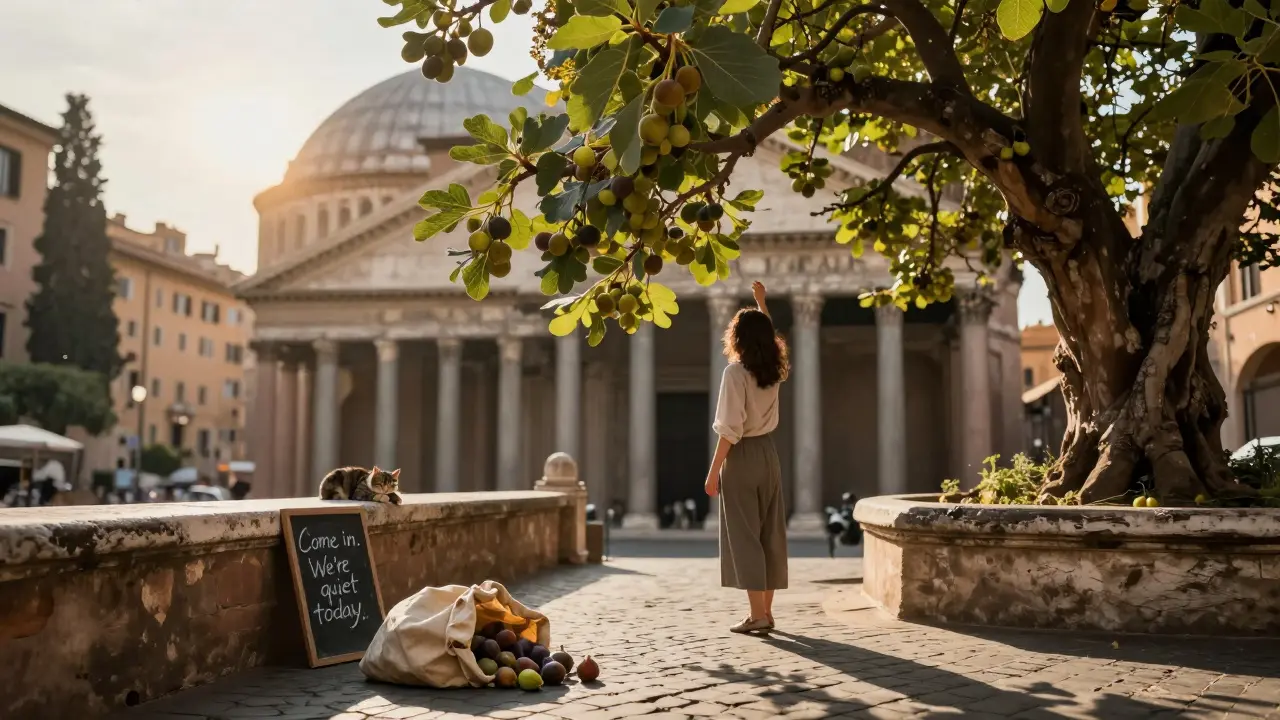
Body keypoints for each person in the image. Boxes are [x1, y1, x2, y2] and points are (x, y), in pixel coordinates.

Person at [705, 280, 790, 634]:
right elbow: (771, 344)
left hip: (740, 456)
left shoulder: (734, 373)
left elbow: (729, 429)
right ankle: (766, 613)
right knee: (770, 532)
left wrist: (713, 473)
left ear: (736, 338)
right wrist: (762, 304)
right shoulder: (774, 372)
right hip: (768, 453)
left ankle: (756, 616)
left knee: (745, 535)